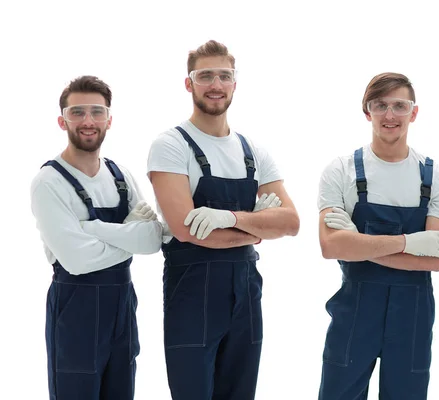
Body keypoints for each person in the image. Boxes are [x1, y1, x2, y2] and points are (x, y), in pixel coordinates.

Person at [147, 40, 300, 400]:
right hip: (192, 291)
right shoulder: (171, 145)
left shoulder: (254, 152)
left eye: (224, 75)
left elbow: (291, 222)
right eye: (205, 76)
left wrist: (229, 218)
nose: (215, 84)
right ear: (189, 84)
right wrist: (257, 227)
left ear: (234, 83)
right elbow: (189, 231)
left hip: (247, 291)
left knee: (240, 392)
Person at [317, 72, 439, 399]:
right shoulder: (341, 170)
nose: (390, 115)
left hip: (413, 318)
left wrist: (357, 244)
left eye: (399, 106)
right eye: (380, 106)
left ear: (414, 112)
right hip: (353, 313)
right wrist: (409, 243)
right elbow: (330, 246)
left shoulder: (436, 176)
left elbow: (433, 260)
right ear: (367, 111)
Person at [30, 75, 164, 400]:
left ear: (109, 119)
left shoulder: (121, 176)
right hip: (76, 308)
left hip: (122, 306)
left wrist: (94, 230)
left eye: (96, 112)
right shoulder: (48, 183)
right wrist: (128, 233)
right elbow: (77, 261)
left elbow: (153, 240)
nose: (88, 121)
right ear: (62, 120)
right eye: (77, 112)